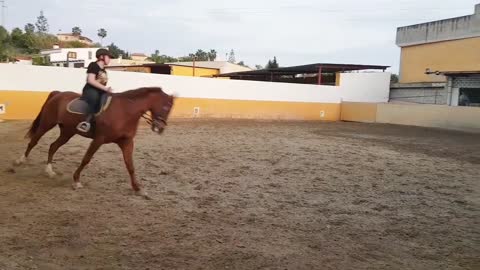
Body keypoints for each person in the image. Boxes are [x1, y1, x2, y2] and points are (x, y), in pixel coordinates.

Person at [76, 48, 114, 132]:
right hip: (90, 90)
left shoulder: (104, 70)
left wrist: (107, 90)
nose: (109, 59)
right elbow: (90, 80)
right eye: (108, 57)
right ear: (101, 57)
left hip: (100, 91)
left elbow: (102, 84)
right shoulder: (93, 65)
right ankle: (86, 122)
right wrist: (105, 88)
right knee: (95, 98)